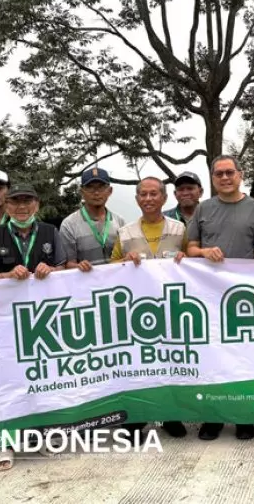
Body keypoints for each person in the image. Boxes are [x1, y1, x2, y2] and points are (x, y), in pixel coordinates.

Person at [0, 184, 66, 471]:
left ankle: (43, 435)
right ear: (7, 206)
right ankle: (5, 442)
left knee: (45, 377)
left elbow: (66, 270)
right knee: (7, 380)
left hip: (44, 321)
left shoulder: (50, 232)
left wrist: (52, 270)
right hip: (5, 324)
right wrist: (6, 275)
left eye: (27, 202)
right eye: (16, 202)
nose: (21, 207)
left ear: (37, 205)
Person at [187, 155, 254, 441]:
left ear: (240, 175)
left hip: (243, 297)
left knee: (243, 358)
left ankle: (244, 417)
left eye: (229, 173)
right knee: (212, 357)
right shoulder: (203, 209)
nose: (224, 178)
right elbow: (191, 247)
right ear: (212, 179)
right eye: (218, 173)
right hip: (208, 296)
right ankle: (213, 417)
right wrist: (205, 252)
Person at [110, 176, 187, 438]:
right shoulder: (125, 232)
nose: (149, 199)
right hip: (136, 311)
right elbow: (110, 269)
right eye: (143, 194)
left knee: (171, 363)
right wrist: (123, 260)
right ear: (137, 199)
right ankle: (135, 419)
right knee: (138, 365)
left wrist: (185, 258)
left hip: (171, 309)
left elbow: (192, 261)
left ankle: (171, 416)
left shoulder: (180, 229)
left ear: (165, 198)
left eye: (154, 194)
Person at [60, 167, 125, 270]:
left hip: (116, 285)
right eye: (90, 187)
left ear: (110, 191)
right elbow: (67, 263)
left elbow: (125, 257)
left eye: (101, 187)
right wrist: (78, 266)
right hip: (85, 283)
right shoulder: (69, 224)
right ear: (82, 192)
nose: (96, 193)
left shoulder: (120, 222)